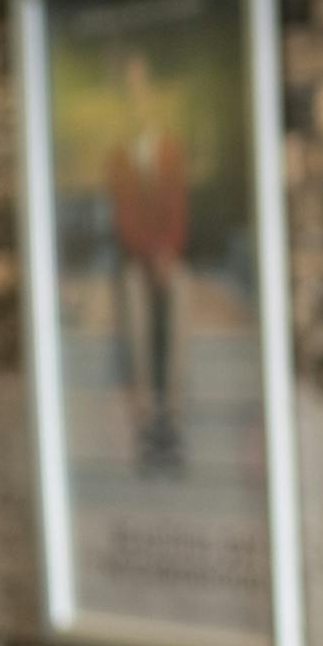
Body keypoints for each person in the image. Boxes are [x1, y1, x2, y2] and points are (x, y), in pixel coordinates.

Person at [104, 42, 191, 475]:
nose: (137, 98)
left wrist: (167, 252)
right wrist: (145, 253)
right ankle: (145, 420)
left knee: (179, 295)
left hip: (165, 255)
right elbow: (123, 214)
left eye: (142, 89)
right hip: (135, 259)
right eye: (129, 90)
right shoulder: (119, 154)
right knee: (135, 308)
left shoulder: (169, 147)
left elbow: (177, 205)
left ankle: (171, 416)